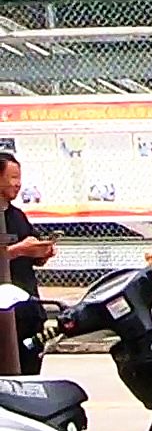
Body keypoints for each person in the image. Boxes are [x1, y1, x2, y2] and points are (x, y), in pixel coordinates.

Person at [0, 153, 53, 374]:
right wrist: (18, 250)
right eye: (13, 177)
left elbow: (32, 252)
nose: (18, 184)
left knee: (30, 373)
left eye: (19, 178)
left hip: (28, 311)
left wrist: (42, 252)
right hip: (4, 317)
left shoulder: (17, 216)